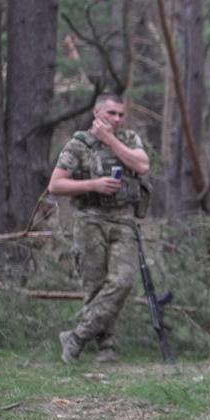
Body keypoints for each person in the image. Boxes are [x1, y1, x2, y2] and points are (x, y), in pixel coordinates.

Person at [49, 94, 154, 364]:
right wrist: (92, 186)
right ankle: (107, 347)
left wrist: (110, 140)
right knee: (95, 286)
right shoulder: (79, 143)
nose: (117, 118)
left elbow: (142, 164)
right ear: (97, 113)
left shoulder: (129, 140)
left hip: (124, 220)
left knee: (122, 281)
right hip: (90, 219)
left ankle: (76, 337)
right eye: (111, 113)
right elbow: (56, 185)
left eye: (121, 114)